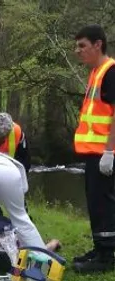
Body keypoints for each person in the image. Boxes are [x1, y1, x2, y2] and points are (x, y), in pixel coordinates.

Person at [72, 24, 115, 273]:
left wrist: (110, 152)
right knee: (95, 202)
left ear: (98, 44)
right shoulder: (96, 72)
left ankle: (106, 256)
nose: (78, 51)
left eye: (82, 46)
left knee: (103, 203)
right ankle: (101, 248)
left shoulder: (109, 72)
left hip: (103, 152)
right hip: (93, 151)